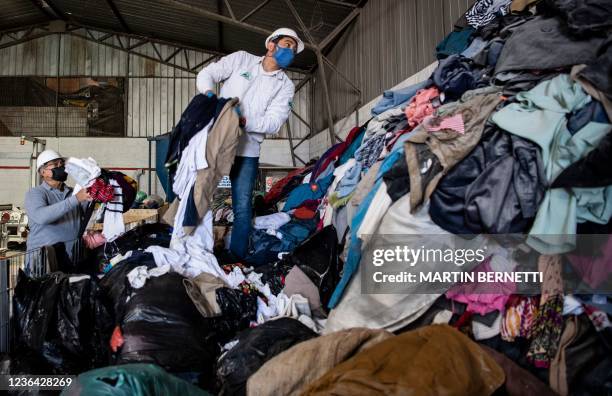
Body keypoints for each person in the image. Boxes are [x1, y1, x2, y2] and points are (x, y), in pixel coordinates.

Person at [196, 27, 304, 259]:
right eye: (287, 44)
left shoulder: (285, 85)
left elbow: (274, 122)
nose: (290, 51)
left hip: (248, 152)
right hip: (217, 143)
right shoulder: (241, 60)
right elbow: (206, 74)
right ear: (271, 45)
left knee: (242, 209)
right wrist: (210, 97)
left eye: (294, 49)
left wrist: (242, 120)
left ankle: (236, 260)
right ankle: (194, 251)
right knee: (199, 197)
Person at [24, 149, 91, 272]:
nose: (61, 167)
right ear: (43, 172)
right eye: (55, 164)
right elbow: (41, 216)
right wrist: (76, 199)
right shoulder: (35, 193)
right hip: (44, 262)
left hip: (71, 258)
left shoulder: (73, 192)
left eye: (61, 163)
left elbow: (84, 215)